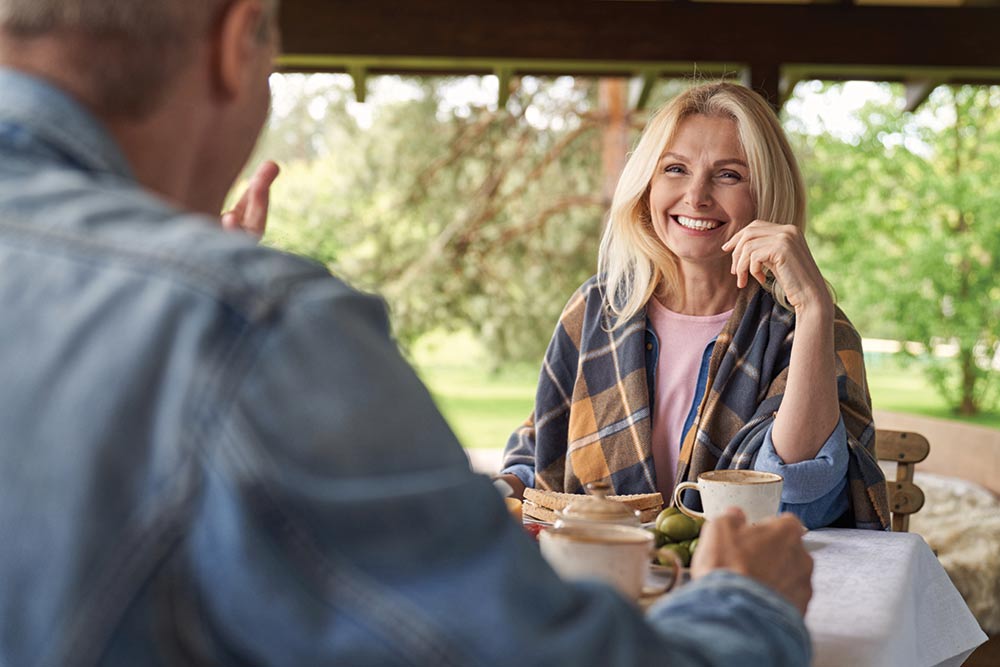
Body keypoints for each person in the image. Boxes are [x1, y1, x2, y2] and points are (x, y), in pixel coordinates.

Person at [0, 2, 813, 664]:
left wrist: (166, 286)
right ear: (235, 42)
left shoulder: (202, 321)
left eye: (728, 173)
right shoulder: (249, 328)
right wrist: (747, 606)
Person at [499, 82, 890, 531]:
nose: (697, 195)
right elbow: (540, 451)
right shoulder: (597, 309)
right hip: (601, 572)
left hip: (750, 584)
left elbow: (795, 501)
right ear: (647, 184)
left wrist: (814, 308)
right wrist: (492, 493)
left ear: (766, 192)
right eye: (675, 169)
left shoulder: (813, 327)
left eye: (729, 175)